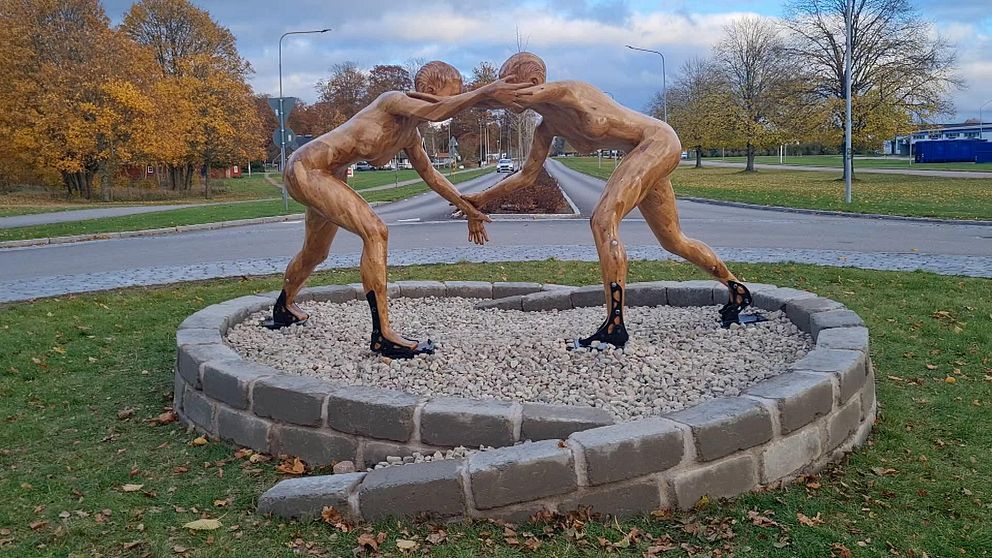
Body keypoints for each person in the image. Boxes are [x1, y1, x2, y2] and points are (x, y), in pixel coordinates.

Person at [428, 52, 755, 348]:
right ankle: (738, 291)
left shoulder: (571, 91)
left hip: (659, 141)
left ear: (534, 81)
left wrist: (463, 97)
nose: (504, 89)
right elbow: (527, 175)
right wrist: (482, 197)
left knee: (602, 220)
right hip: (641, 152)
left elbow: (503, 97)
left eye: (509, 81)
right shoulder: (545, 129)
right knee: (673, 240)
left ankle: (614, 325)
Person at [267, 61, 527, 359]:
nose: (456, 101)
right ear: (429, 89)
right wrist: (486, 91)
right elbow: (438, 111)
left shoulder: (411, 135)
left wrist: (468, 208)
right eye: (452, 94)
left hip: (329, 174)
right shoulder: (392, 101)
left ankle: (283, 307)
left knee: (316, 253)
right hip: (305, 168)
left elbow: (432, 176)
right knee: (375, 232)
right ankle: (383, 335)